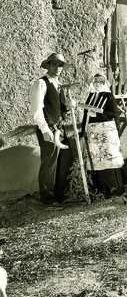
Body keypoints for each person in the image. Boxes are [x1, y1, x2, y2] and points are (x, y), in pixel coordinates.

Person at [29, 53, 74, 205]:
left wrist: (68, 106)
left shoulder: (58, 85)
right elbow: (37, 110)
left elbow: (59, 109)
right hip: (48, 129)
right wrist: (45, 130)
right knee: (49, 164)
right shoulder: (41, 83)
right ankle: (47, 199)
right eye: (54, 64)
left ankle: (58, 195)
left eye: (60, 65)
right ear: (48, 66)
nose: (57, 68)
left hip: (59, 129)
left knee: (63, 161)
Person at [80, 72, 124, 197]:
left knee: (111, 158)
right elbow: (85, 117)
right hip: (93, 134)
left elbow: (114, 114)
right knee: (96, 159)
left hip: (106, 133)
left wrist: (98, 115)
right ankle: (103, 188)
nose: (98, 84)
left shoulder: (108, 96)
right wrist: (83, 132)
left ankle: (118, 187)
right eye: (95, 82)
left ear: (104, 83)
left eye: (100, 82)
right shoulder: (90, 96)